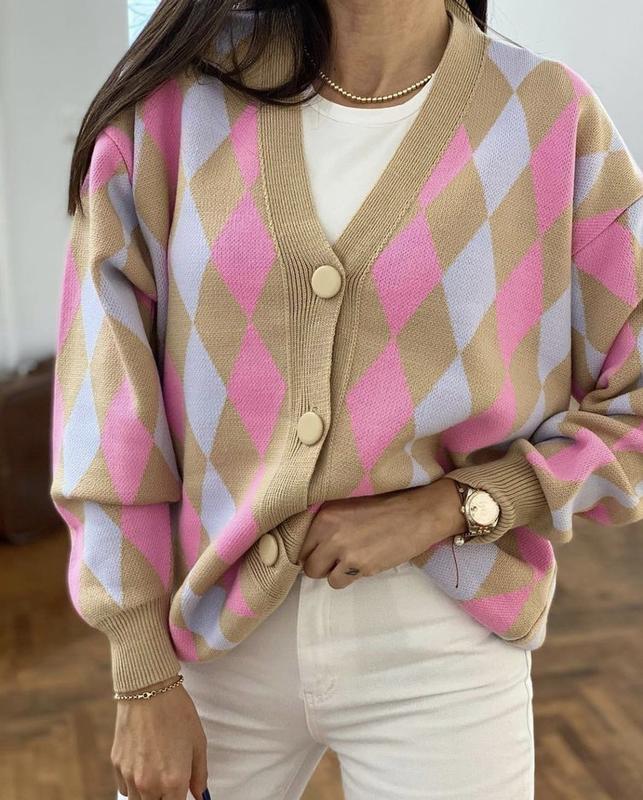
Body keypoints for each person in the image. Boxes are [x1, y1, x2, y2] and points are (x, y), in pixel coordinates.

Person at [49, 0, 643, 798]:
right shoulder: (177, 103)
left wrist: (459, 505)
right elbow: (105, 405)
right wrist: (140, 669)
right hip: (202, 645)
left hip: (441, 643)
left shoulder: (548, 119)